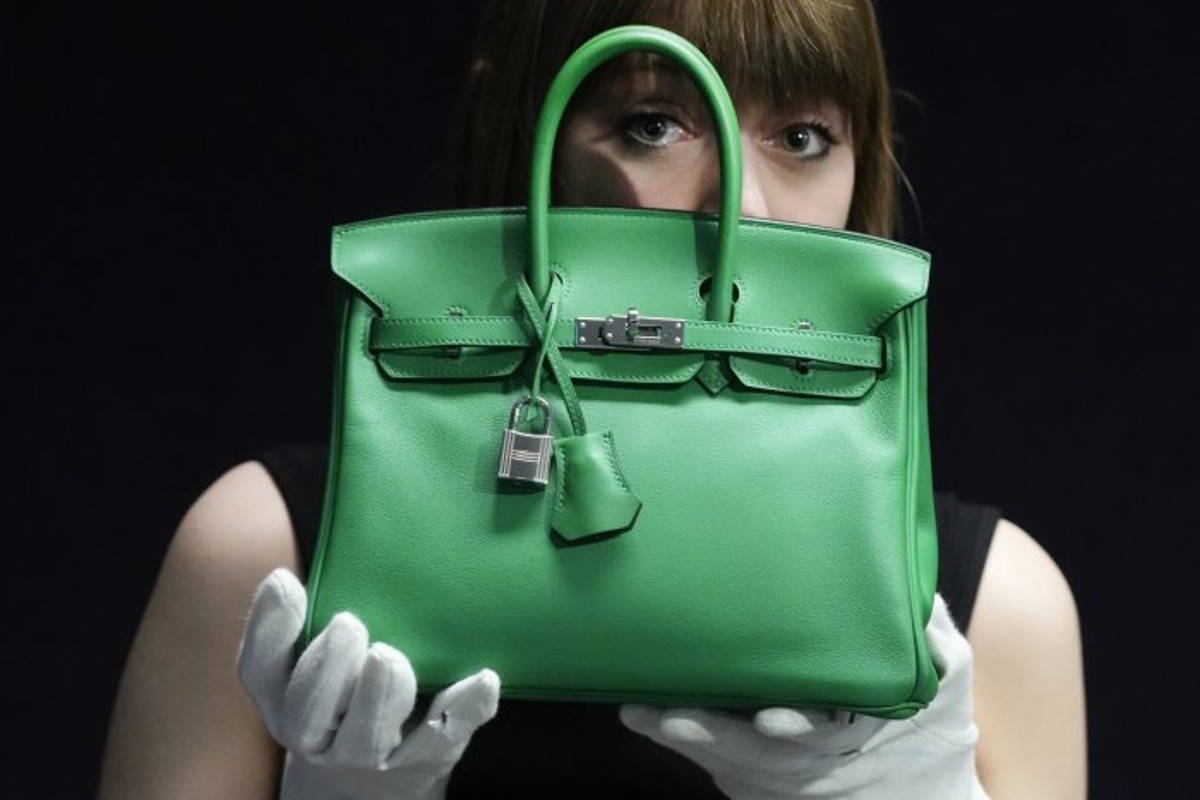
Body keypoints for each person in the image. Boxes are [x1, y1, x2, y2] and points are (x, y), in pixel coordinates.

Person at [98, 1, 1087, 797]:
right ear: (518, 123)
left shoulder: (1000, 609)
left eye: (802, 134)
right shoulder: (259, 556)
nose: (744, 203)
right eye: (654, 125)